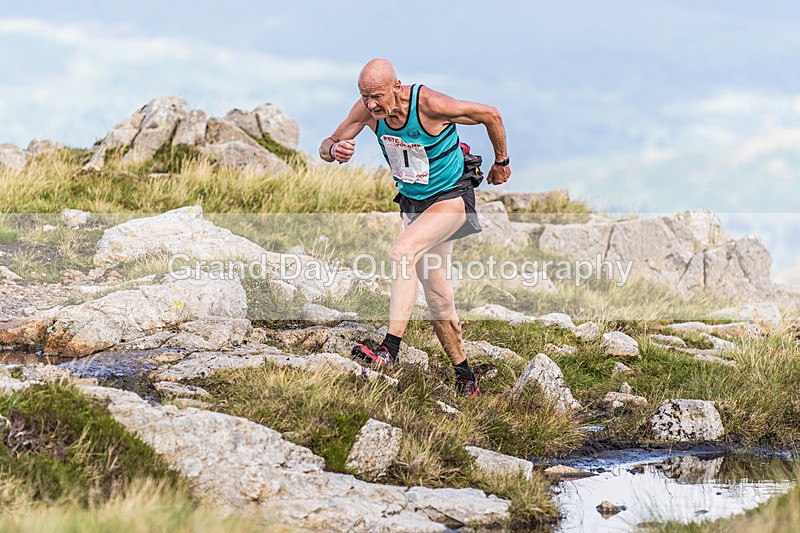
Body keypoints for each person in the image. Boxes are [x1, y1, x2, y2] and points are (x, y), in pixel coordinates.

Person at [319, 59, 511, 398]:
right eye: (365, 97)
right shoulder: (367, 111)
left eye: (377, 96)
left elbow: (491, 114)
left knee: (402, 252)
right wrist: (335, 149)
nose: (371, 104)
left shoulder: (429, 105)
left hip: (452, 196)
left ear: (397, 87)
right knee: (438, 299)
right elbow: (326, 145)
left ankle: (388, 350)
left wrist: (502, 161)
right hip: (414, 203)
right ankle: (466, 378)